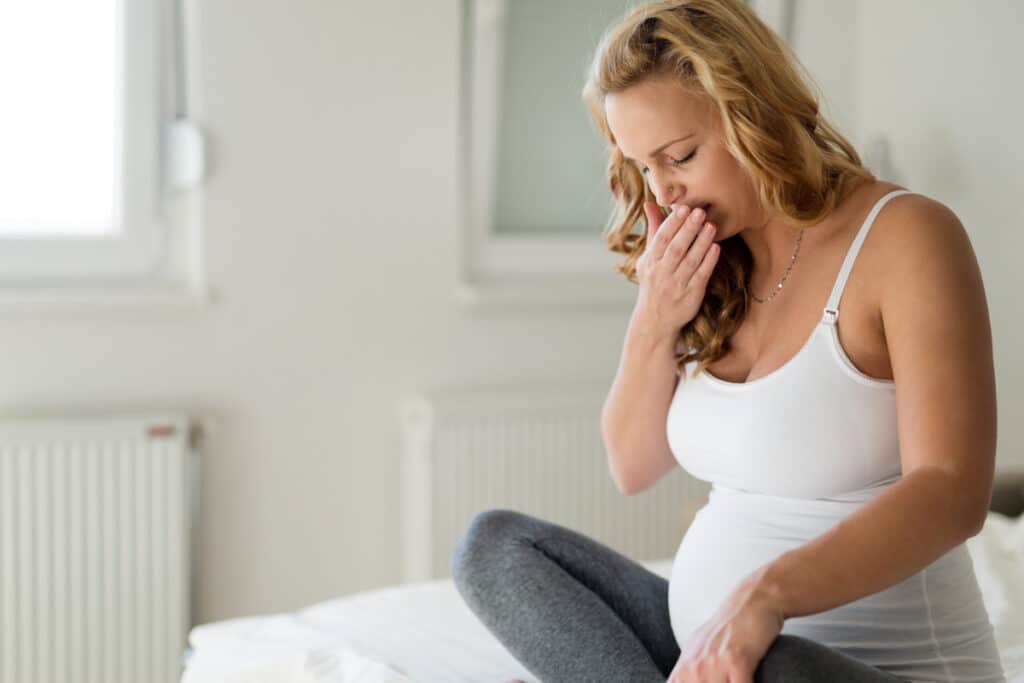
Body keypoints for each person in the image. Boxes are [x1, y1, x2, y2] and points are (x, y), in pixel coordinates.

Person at [450, 1, 1006, 681]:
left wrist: (764, 598)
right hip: (710, 653)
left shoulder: (905, 237)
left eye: (680, 155)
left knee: (778, 667)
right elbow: (632, 465)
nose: (665, 191)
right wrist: (655, 318)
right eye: (644, 167)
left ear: (754, 112)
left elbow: (953, 491)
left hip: (851, 667)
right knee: (498, 548)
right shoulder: (715, 262)